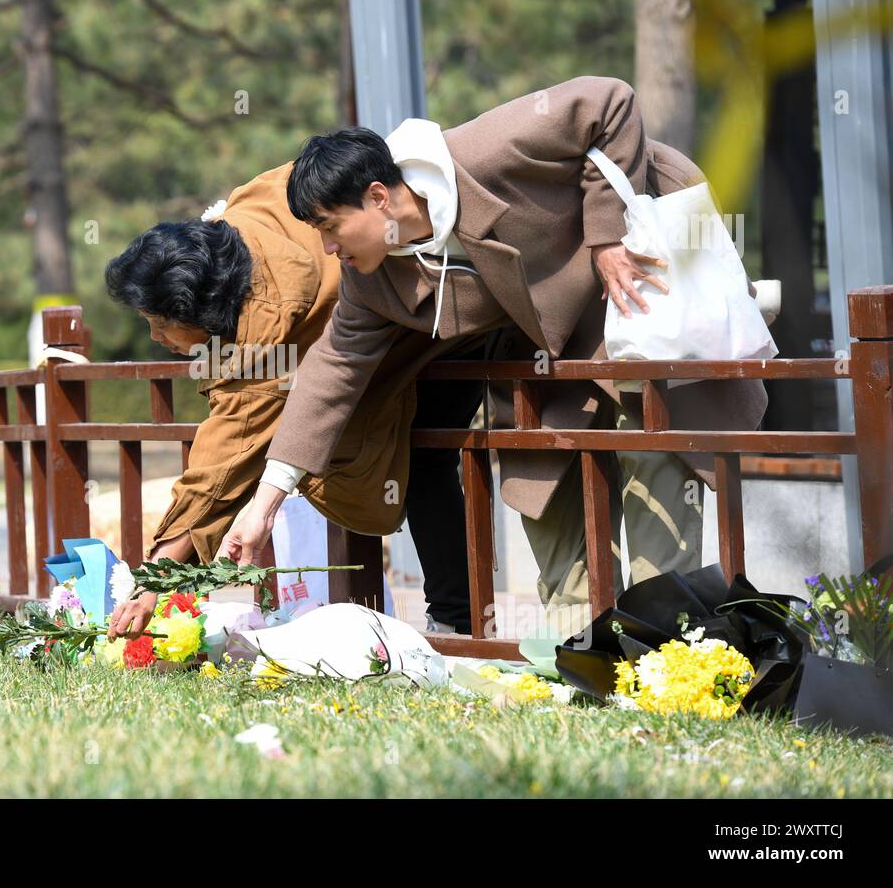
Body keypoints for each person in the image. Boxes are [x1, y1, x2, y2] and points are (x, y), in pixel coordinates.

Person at [220, 75, 768, 638]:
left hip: (638, 279)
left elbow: (611, 100)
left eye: (331, 228)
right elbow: (330, 375)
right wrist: (264, 505)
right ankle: (586, 663)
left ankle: (670, 656)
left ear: (379, 198)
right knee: (550, 491)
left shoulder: (488, 150)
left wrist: (607, 235)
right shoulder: (373, 278)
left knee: (652, 457)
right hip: (546, 343)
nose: (329, 248)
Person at [102, 163, 482, 639]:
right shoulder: (237, 220)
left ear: (197, 308)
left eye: (159, 322)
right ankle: (458, 620)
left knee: (429, 455)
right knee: (423, 454)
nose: (155, 337)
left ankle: (460, 624)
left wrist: (155, 579)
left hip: (457, 307)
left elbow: (224, 458)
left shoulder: (265, 325)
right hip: (400, 307)